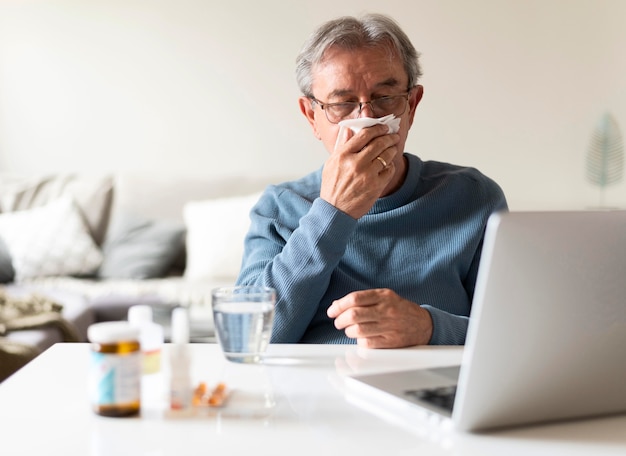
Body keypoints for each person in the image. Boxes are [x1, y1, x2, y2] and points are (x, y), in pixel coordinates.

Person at [236, 13, 507, 348]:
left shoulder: (473, 197)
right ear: (312, 117)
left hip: (432, 389)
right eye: (342, 103)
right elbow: (249, 339)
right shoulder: (279, 208)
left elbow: (512, 334)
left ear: (411, 105)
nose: (366, 119)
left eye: (384, 99)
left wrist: (429, 328)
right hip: (316, 392)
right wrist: (333, 213)